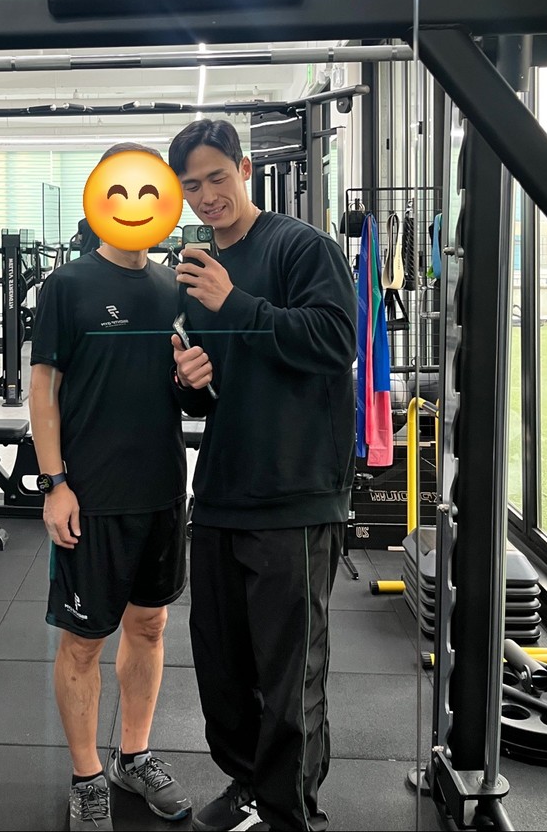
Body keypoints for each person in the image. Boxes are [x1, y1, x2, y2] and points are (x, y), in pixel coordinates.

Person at [167, 119, 357, 832]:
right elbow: (209, 389)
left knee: (288, 677)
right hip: (221, 489)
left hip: (294, 493)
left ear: (244, 170)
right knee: (221, 670)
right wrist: (188, 380)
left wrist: (235, 303)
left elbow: (334, 340)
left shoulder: (300, 246)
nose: (206, 196)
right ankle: (247, 785)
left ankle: (288, 814)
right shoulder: (196, 271)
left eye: (217, 177)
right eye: (192, 186)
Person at [29, 142, 192, 832]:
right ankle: (86, 775)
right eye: (120, 190)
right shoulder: (66, 286)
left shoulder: (174, 287)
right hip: (91, 496)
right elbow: (43, 386)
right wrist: (54, 483)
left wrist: (194, 379)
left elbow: (183, 387)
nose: (134, 204)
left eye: (148, 191)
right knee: (83, 641)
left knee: (149, 625)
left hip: (162, 488)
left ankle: (133, 755)